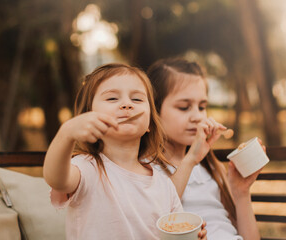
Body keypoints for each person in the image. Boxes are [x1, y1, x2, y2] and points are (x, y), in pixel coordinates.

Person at [43, 63, 206, 240]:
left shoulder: (165, 186)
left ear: (150, 123)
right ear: (89, 116)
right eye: (112, 99)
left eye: (137, 100)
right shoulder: (86, 168)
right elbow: (56, 179)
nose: (127, 105)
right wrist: (66, 133)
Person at [147, 58, 261, 240]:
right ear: (154, 110)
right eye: (184, 107)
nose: (197, 117)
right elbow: (158, 216)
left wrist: (241, 193)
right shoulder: (145, 169)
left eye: (202, 107)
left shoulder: (210, 168)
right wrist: (191, 159)